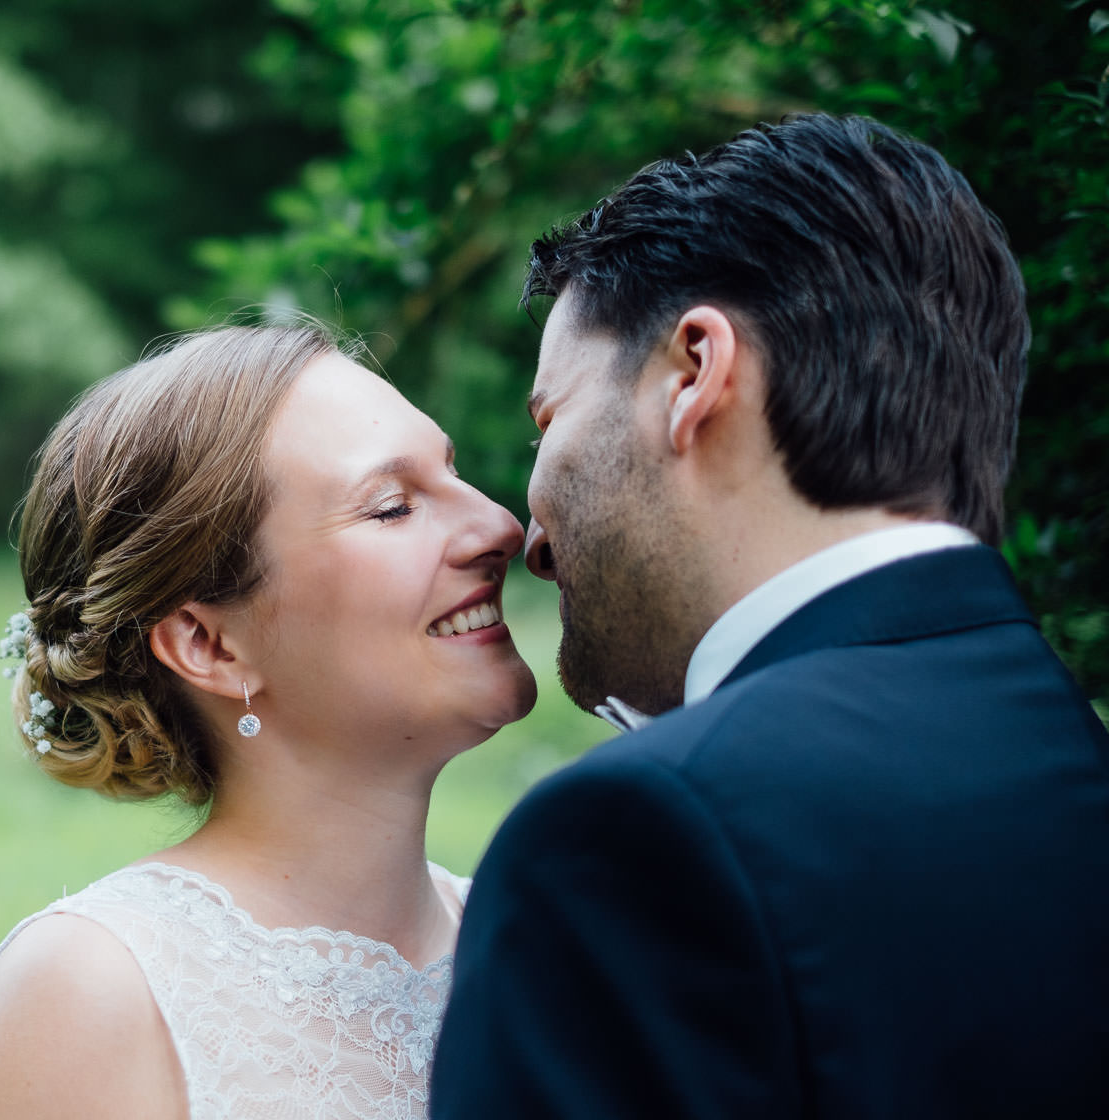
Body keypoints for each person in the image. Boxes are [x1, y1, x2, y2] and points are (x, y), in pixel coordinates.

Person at [431, 114, 1109, 1118]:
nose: (526, 536)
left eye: (550, 421)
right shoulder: (1071, 755)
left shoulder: (636, 837)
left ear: (695, 373)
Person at [0, 324, 538, 1120]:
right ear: (209, 645)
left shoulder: (538, 951)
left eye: (455, 473)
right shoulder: (97, 987)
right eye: (392, 507)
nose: (500, 526)